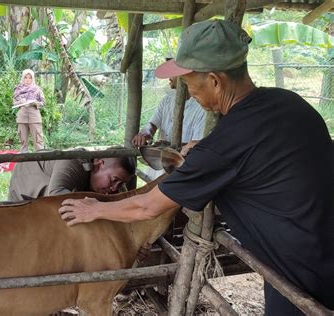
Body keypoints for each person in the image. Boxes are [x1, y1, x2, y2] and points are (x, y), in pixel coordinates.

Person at [58, 20, 334, 315]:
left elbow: (147, 208)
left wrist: (95, 209)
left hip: (301, 271)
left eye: (190, 85)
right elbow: (250, 149)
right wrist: (203, 147)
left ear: (215, 80)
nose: (190, 94)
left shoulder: (224, 145)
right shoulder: (288, 102)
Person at [132, 73, 206, 179]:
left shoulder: (201, 107)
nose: (168, 77)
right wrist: (145, 133)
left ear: (184, 77)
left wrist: (165, 147)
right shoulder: (167, 99)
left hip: (180, 166)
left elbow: (195, 145)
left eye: (173, 74)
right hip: (159, 164)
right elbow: (152, 123)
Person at [8, 153, 136, 201]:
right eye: (114, 180)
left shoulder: (115, 185)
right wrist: (97, 205)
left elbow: (121, 202)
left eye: (121, 184)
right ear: (99, 163)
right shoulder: (73, 161)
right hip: (26, 179)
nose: (115, 188)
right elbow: (56, 195)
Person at [13, 69, 45, 153]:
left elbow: (43, 103)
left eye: (30, 78)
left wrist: (35, 103)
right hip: (22, 116)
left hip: (34, 116)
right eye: (25, 78)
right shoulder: (18, 89)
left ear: (33, 79)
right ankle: (24, 160)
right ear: (23, 78)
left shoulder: (37, 89)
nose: (27, 80)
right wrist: (21, 102)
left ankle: (41, 158)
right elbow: (14, 103)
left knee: (38, 139)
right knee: (23, 140)